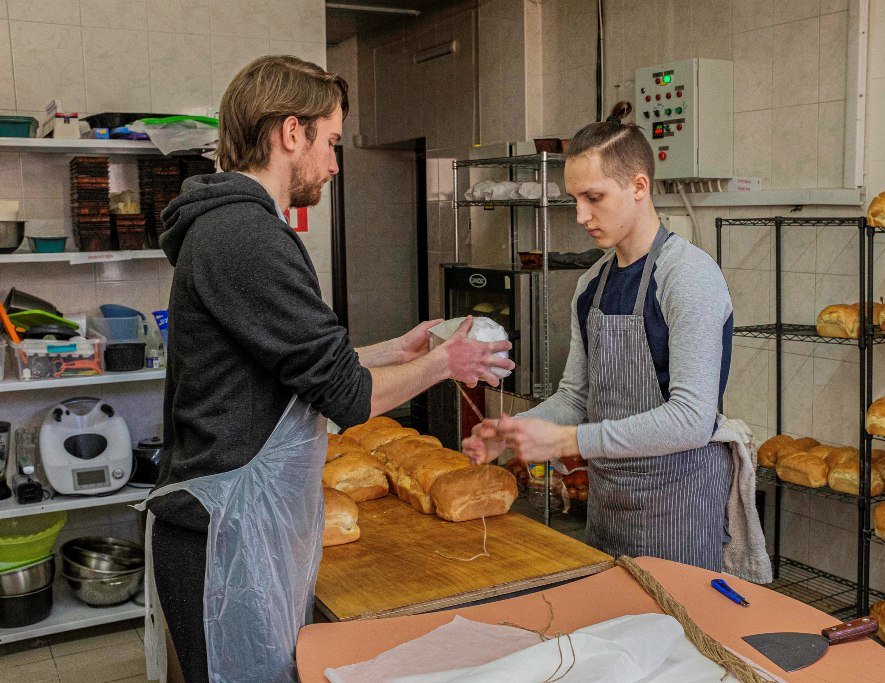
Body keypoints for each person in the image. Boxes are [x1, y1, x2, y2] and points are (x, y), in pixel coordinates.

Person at [146, 55, 513, 683]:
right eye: (332, 141)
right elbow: (347, 397)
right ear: (292, 132)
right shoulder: (246, 236)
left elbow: (292, 367)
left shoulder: (228, 227)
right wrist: (444, 362)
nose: (335, 163)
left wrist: (398, 351)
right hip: (224, 538)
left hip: (227, 529)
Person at [464, 100, 734, 570]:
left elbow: (691, 419)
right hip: (609, 506)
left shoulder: (688, 276)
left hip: (678, 505)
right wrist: (514, 433)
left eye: (594, 197)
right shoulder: (593, 283)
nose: (580, 215)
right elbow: (576, 395)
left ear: (638, 186)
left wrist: (568, 441)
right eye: (575, 199)